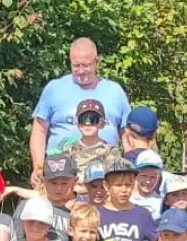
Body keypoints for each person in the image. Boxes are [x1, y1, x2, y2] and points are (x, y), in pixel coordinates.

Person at [30, 38, 132, 182]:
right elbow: (39, 131)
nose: (81, 71)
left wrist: (130, 170)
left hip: (105, 175)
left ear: (97, 61)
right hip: (61, 176)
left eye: (86, 65)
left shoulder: (115, 91)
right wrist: (39, 167)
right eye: (76, 65)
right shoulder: (54, 88)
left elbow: (127, 135)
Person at [59, 98, 118, 175]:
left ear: (102, 124)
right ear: (77, 124)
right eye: (83, 119)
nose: (87, 123)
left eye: (93, 119)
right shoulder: (69, 150)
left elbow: (113, 179)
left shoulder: (110, 151)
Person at [130, 149, 167, 218]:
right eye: (144, 176)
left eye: (153, 177)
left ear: (159, 178)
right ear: (136, 175)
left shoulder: (161, 203)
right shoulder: (126, 198)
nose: (148, 181)